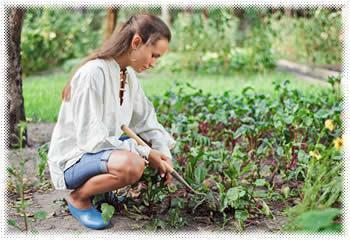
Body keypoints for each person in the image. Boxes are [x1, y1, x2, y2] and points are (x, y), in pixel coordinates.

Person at [47, 14, 176, 230]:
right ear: (136, 42)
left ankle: (101, 194)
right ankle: (79, 198)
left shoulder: (128, 75)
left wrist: (164, 154)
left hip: (98, 154)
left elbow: (146, 120)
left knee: (149, 142)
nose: (154, 64)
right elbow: (91, 141)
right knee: (133, 164)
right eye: (153, 55)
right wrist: (144, 153)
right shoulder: (92, 74)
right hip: (74, 160)